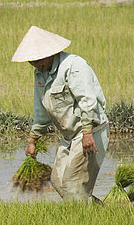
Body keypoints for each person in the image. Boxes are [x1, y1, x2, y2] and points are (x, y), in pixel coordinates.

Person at [11, 26, 109, 202]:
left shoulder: (73, 65)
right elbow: (41, 109)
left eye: (37, 59)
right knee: (58, 181)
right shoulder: (40, 73)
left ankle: (81, 223)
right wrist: (33, 140)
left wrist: (87, 132)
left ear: (49, 53)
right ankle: (99, 215)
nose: (35, 64)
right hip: (69, 135)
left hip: (89, 131)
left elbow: (87, 99)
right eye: (31, 61)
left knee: (73, 185)